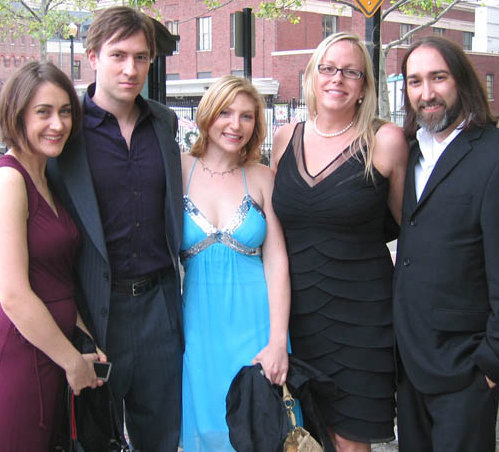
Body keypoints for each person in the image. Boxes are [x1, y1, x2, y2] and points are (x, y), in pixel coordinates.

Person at [47, 6, 183, 451]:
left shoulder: (163, 122)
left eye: (141, 58)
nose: (131, 69)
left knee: (161, 436)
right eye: (118, 55)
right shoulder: (66, 130)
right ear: (92, 57)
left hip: (160, 307)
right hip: (94, 311)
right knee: (95, 438)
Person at [271, 32, 408, 452]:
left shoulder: (386, 142)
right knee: (304, 433)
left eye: (351, 72)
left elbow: (410, 228)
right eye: (328, 68)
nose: (338, 79)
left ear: (365, 85)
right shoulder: (282, 138)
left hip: (362, 318)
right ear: (312, 76)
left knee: (349, 441)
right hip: (296, 314)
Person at [393, 36, 499, 452]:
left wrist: (490, 366)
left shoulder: (491, 154)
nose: (427, 92)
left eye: (438, 77)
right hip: (411, 366)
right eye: (415, 81)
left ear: (461, 81)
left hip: (466, 370)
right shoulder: (408, 152)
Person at [180, 75, 291, 451]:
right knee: (208, 430)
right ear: (207, 114)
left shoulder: (261, 177)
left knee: (259, 430)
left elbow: (277, 262)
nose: (235, 125)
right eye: (226, 112)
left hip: (256, 325)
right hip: (197, 325)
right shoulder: (179, 169)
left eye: (247, 116)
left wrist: (278, 340)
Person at [0, 62, 105, 450]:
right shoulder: (10, 180)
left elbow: (58, 279)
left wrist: (84, 339)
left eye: (64, 112)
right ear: (18, 114)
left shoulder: (48, 178)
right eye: (43, 112)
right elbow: (12, 293)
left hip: (57, 353)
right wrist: (71, 361)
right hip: (24, 357)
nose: (57, 124)